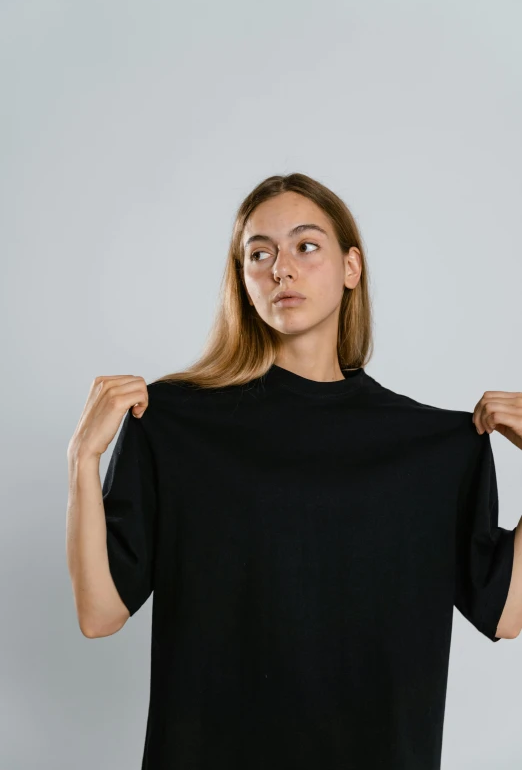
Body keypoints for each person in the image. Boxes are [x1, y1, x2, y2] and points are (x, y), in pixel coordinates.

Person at [66, 172, 520, 770]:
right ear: (243, 279)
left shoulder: (432, 447)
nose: (282, 268)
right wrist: (83, 460)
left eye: (306, 246)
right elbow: (100, 614)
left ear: (350, 267)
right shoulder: (174, 423)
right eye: (260, 253)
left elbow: (507, 612)